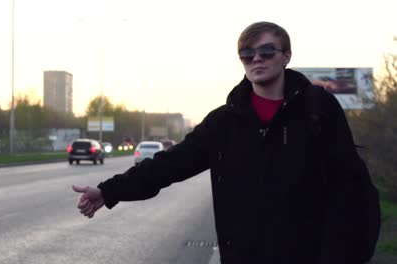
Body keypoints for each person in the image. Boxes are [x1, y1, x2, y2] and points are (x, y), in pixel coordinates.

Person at [72, 21, 380, 264]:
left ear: (286, 55)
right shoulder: (225, 121)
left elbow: (348, 185)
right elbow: (170, 165)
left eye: (267, 51)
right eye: (247, 54)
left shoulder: (318, 109)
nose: (256, 59)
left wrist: (337, 255)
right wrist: (108, 191)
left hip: (310, 255)